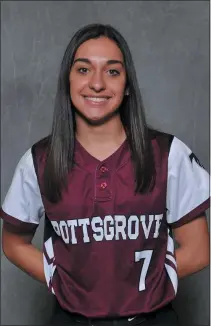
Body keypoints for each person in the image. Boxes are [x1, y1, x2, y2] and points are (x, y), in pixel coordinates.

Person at [1, 23, 210, 326]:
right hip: (72, 320)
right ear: (67, 80)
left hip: (151, 319)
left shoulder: (168, 154)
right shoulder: (40, 160)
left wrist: (143, 285)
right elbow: (13, 242)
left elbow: (199, 250)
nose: (97, 84)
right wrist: (58, 278)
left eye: (112, 71)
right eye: (83, 70)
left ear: (127, 85)